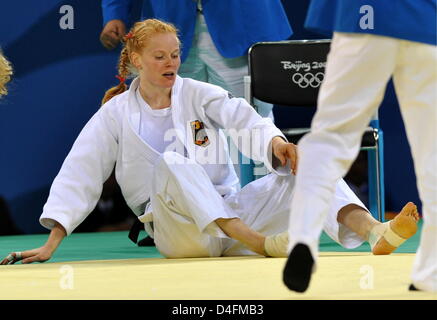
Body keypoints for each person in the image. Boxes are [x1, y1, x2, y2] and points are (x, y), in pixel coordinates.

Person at [1, 19, 418, 265]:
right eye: (160, 56)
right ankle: (260, 245)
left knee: (306, 164)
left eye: (176, 54)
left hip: (231, 218)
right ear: (135, 62)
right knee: (175, 163)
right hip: (177, 231)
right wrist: (51, 241)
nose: (171, 63)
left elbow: (245, 118)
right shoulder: (114, 114)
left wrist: (276, 144)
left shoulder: (199, 93)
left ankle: (373, 231)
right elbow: (80, 172)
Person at [283, 0, 436, 293]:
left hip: (363, 15)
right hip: (426, 20)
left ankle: (303, 238)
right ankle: (431, 270)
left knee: (330, 137)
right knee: (433, 148)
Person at [100, 0, 293, 187]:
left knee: (248, 121)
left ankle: (258, 205)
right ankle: (201, 206)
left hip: (242, 20)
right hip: (169, 22)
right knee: (189, 129)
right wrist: (115, 12)